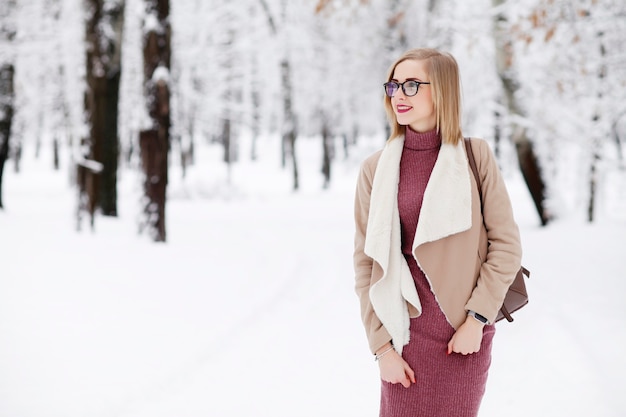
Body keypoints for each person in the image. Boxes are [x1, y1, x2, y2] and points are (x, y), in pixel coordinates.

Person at [353, 48, 523, 417]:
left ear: (442, 90)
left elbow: (506, 247)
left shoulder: (474, 156)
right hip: (402, 336)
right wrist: (382, 348)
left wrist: (477, 321)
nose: (398, 94)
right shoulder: (375, 169)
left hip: (463, 334)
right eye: (394, 85)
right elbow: (367, 266)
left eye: (411, 85)